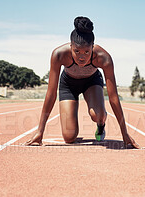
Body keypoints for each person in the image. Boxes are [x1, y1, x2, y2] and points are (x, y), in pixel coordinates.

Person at [24, 16, 139, 149]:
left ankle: (101, 125)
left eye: (86, 52)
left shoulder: (104, 58)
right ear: (70, 46)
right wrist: (40, 132)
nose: (81, 57)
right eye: (76, 51)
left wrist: (124, 133)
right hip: (68, 85)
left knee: (98, 115)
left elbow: (113, 98)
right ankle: (72, 117)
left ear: (93, 47)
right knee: (69, 137)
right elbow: (50, 95)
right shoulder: (58, 54)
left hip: (91, 82)